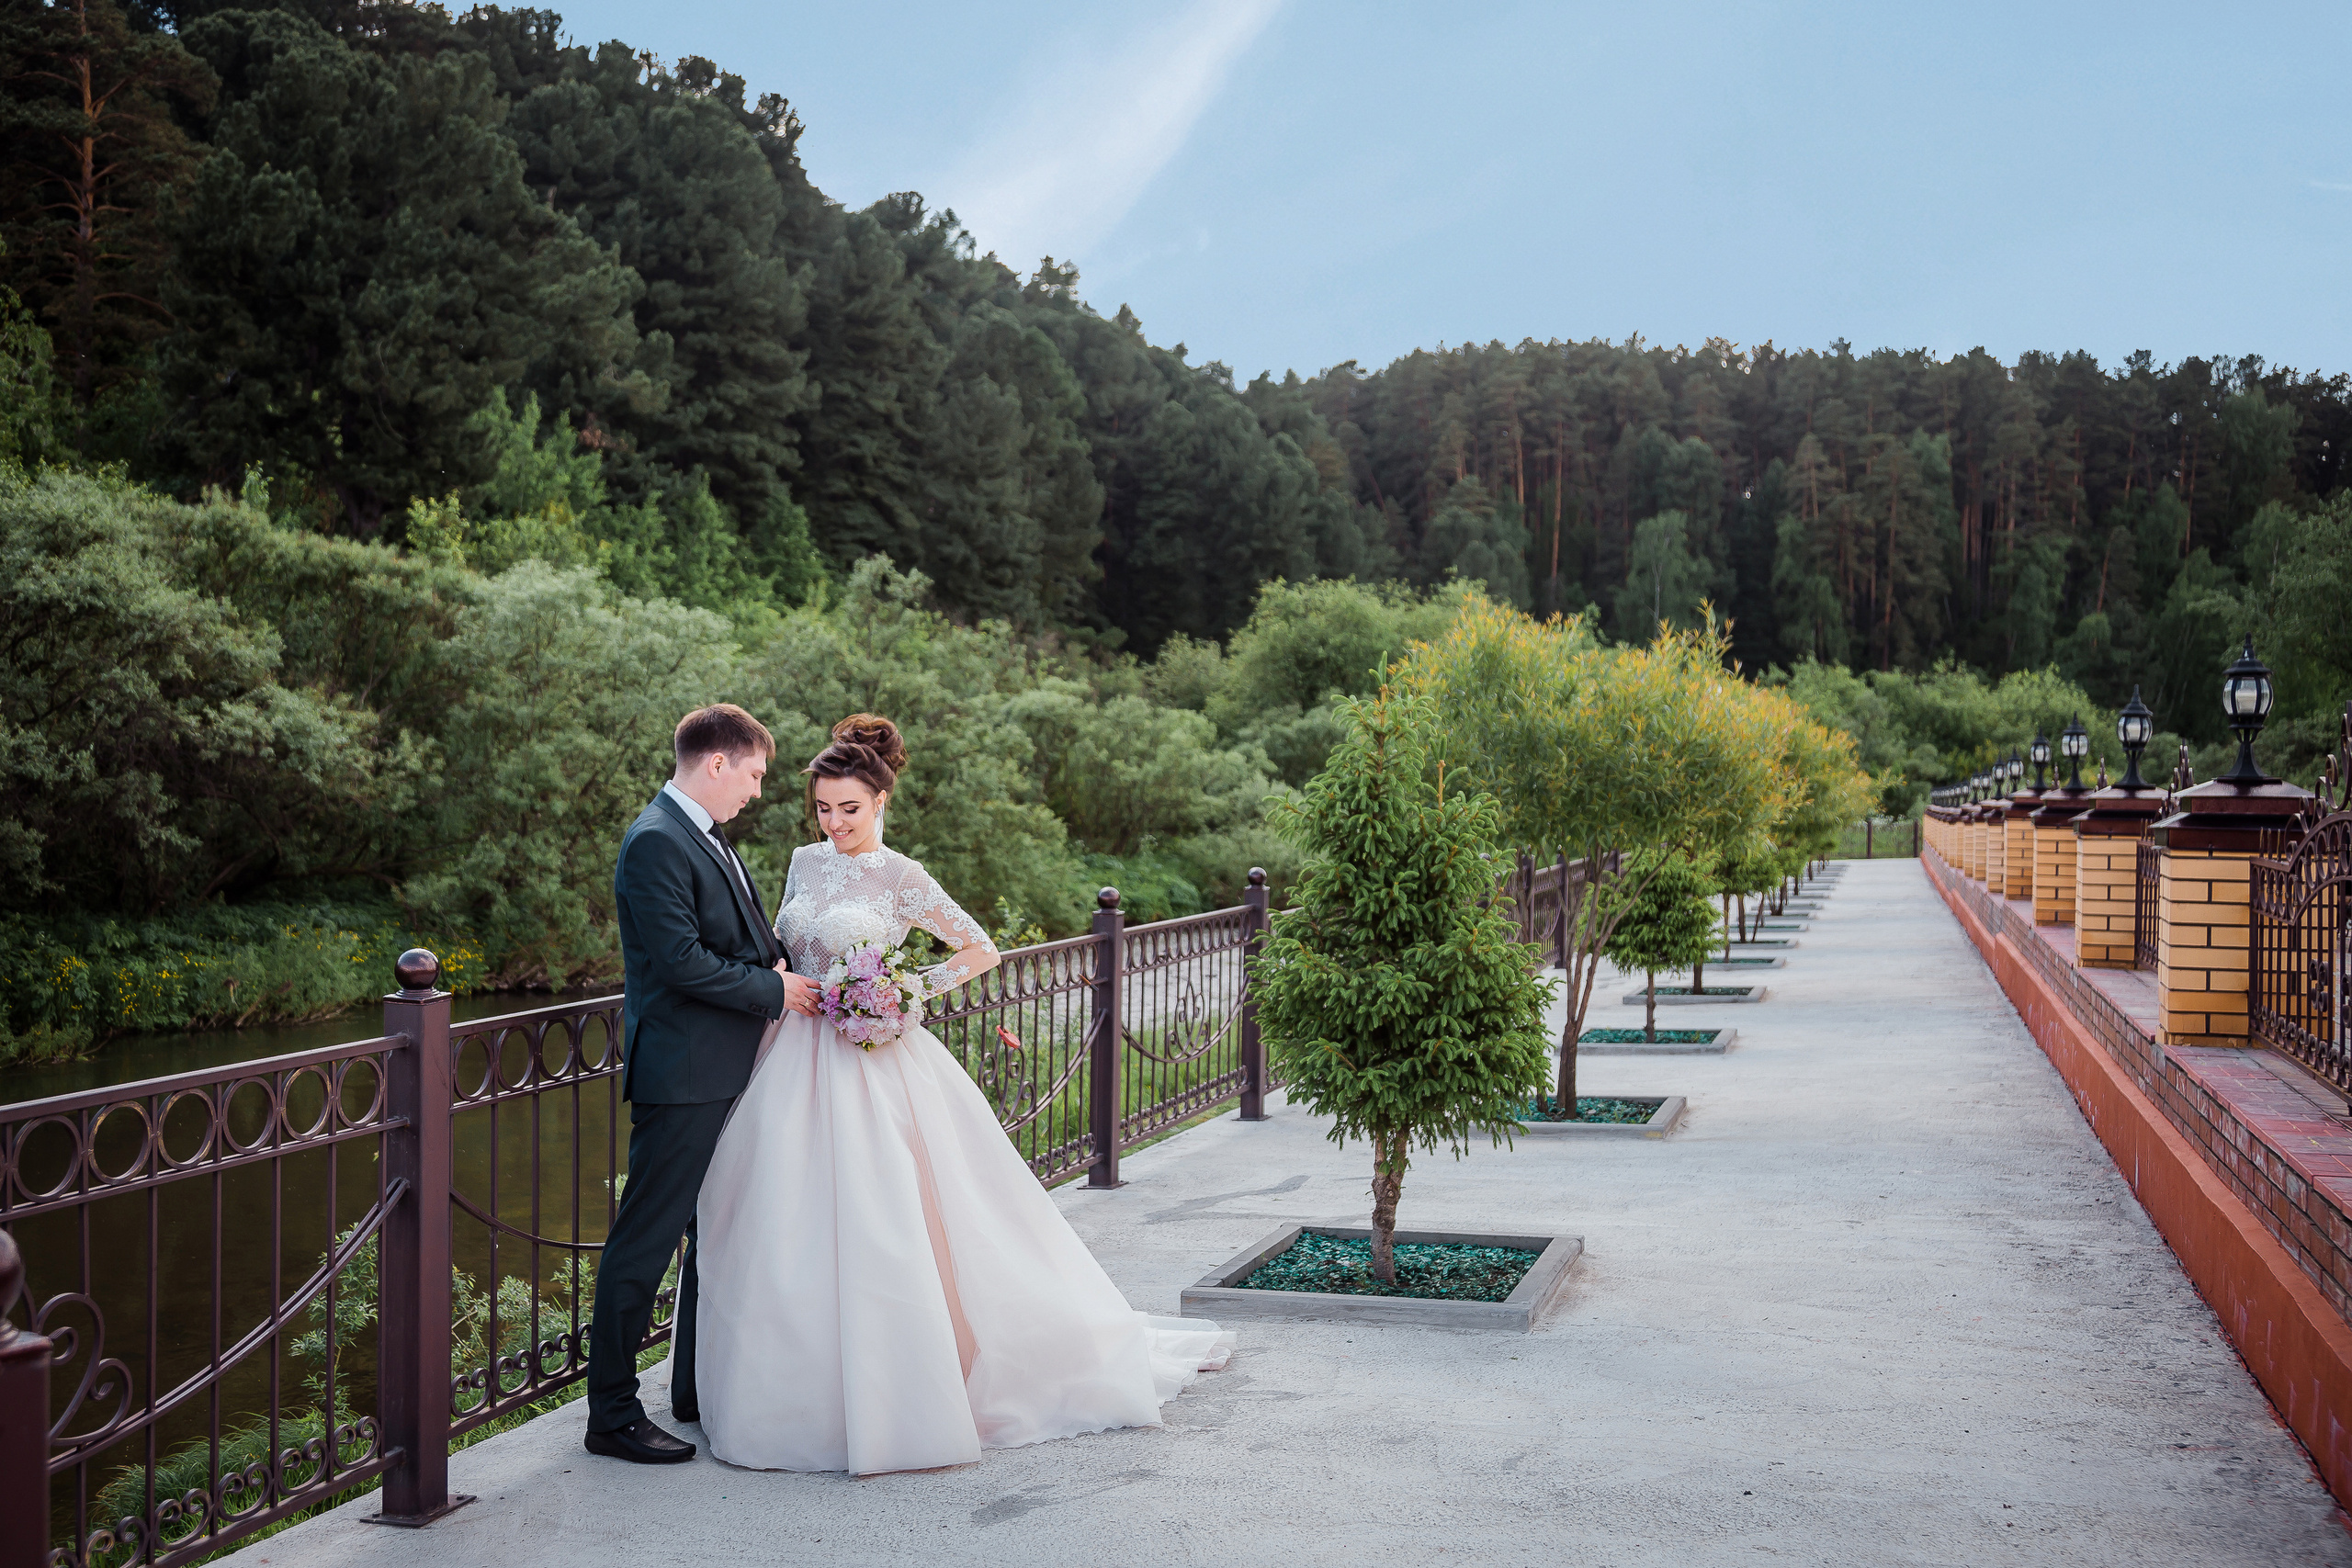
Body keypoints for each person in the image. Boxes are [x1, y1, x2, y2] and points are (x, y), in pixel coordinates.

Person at [687, 713, 1232, 1475]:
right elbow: (791, 947)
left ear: (880, 802)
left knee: (891, 1219)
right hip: (791, 1060)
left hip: (873, 1059)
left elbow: (980, 946)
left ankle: (914, 1381)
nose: (835, 823)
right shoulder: (802, 863)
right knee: (783, 1217)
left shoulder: (901, 876)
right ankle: (791, 1387)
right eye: (823, 808)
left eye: (850, 808)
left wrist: (905, 990)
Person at [584, 704, 820, 1465]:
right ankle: (612, 1415)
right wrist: (773, 991)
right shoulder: (656, 841)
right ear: (717, 763)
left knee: (710, 1230)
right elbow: (681, 963)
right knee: (644, 1240)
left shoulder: (702, 835)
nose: (755, 792)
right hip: (684, 1074)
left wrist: (796, 968)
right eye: (753, 774)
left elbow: (744, 934)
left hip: (724, 1066)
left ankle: (690, 1390)